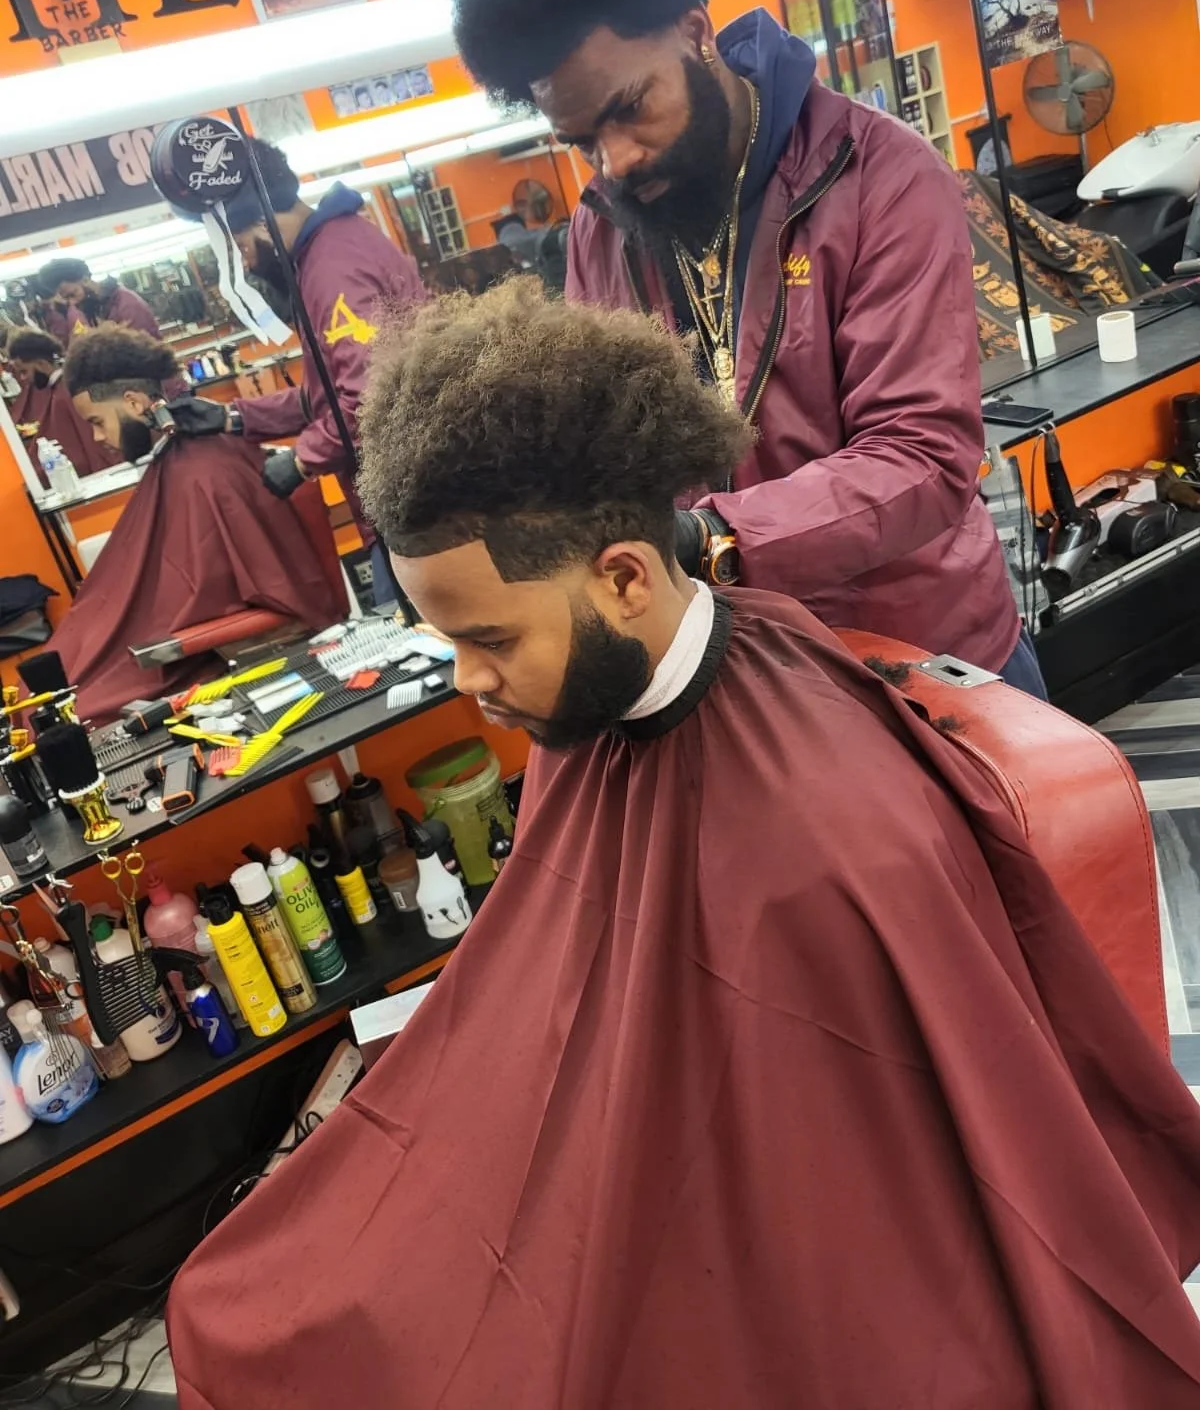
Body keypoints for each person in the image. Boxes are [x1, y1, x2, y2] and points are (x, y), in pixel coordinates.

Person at [168, 280, 1200, 1407]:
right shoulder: (594, 707)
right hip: (632, 1149)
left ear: (622, 574)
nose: (469, 682)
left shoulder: (830, 845)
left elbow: (853, 1206)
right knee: (251, 1299)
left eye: (489, 638)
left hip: (798, 1268)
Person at [451, 0, 1044, 698]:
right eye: (582, 137)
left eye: (630, 108)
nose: (613, 160)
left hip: (924, 659)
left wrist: (710, 537)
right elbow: (611, 447)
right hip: (749, 673)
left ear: (696, 31)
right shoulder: (603, 228)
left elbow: (924, 458)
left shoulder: (880, 177)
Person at [50, 325, 345, 724]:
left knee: (70, 704)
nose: (97, 436)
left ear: (135, 403)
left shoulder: (205, 472)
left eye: (97, 421)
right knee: (53, 686)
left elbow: (257, 587)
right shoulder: (184, 463)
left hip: (170, 653)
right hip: (130, 638)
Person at [220, 137, 426, 605]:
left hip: (414, 508)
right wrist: (237, 418)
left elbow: (371, 399)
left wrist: (301, 459)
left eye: (245, 245)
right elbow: (329, 393)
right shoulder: (335, 246)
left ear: (265, 221)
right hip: (403, 498)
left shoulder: (332, 268)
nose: (248, 262)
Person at [5, 327, 119, 480]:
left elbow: (94, 448)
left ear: (40, 363)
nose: (23, 378)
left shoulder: (67, 394)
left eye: (24, 371)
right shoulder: (61, 390)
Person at [37, 256, 161, 342]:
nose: (72, 302)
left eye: (73, 294)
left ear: (85, 279)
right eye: (66, 299)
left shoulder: (126, 303)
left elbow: (146, 347)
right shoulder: (93, 309)